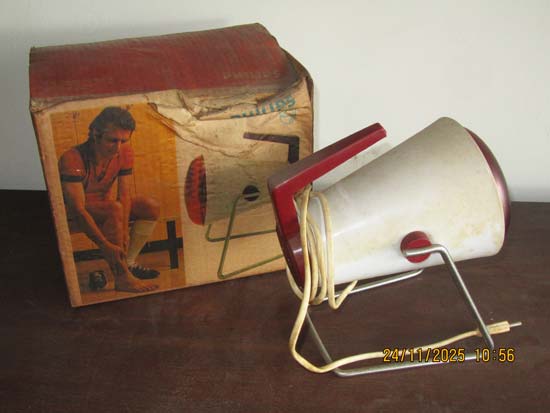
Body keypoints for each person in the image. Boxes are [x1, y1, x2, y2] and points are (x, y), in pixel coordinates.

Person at [59, 107, 160, 293]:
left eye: (124, 141)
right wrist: (105, 245)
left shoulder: (124, 152)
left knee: (149, 206)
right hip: (72, 215)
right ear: (95, 134)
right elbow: (77, 209)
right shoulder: (72, 158)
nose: (118, 147)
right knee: (114, 208)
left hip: (106, 209)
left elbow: (124, 195)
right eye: (112, 140)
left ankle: (127, 264)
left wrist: (124, 232)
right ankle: (122, 278)